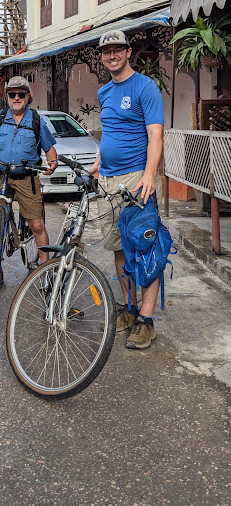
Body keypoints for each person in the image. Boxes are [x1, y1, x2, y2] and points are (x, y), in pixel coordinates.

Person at [88, 29, 165, 350]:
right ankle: (129, 307)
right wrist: (96, 161)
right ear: (103, 57)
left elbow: (156, 136)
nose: (112, 55)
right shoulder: (105, 91)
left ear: (128, 52)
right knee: (119, 248)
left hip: (137, 179)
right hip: (108, 180)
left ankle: (146, 321)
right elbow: (109, 133)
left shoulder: (145, 87)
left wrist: (150, 175)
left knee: (146, 249)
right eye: (107, 52)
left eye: (118, 50)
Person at [0, 77, 58, 281]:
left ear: (28, 97)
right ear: (7, 97)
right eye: (12, 94)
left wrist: (52, 163)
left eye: (21, 94)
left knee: (36, 224)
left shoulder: (36, 120)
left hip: (27, 178)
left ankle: (44, 269)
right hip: (2, 178)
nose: (17, 98)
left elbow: (49, 148)